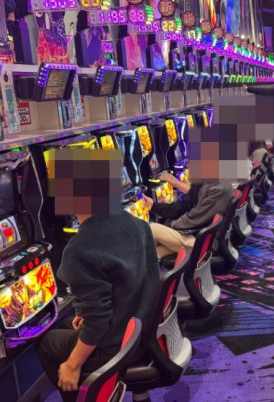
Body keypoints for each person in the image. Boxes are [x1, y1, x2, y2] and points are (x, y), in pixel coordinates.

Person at [36, 149, 159, 402]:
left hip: (117, 345)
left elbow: (98, 322)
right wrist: (88, 310)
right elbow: (133, 279)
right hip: (145, 331)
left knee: (46, 343)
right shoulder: (136, 223)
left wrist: (72, 364)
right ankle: (138, 393)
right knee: (69, 325)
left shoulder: (79, 249)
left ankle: (82, 392)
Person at [141, 172, 233, 260]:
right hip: (195, 233)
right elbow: (182, 206)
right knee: (151, 254)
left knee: (148, 228)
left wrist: (170, 225)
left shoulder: (220, 188)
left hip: (203, 241)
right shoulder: (204, 181)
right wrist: (154, 206)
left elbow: (196, 219)